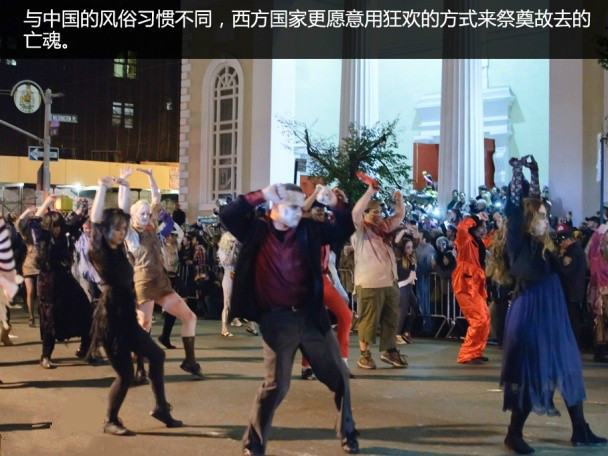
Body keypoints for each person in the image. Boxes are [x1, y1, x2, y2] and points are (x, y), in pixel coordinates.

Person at [219, 183, 359, 455]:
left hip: (310, 317)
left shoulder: (309, 230)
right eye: (292, 207)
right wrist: (261, 194)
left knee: (340, 377)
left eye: (300, 207)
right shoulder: (256, 229)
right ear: (275, 206)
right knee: (276, 385)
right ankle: (254, 443)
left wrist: (336, 204)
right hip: (276, 320)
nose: (299, 212)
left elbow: (344, 228)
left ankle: (348, 432)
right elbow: (228, 215)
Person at [492, 155, 606, 454]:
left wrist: (535, 173)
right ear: (528, 220)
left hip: (553, 312)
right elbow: (516, 205)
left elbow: (533, 200)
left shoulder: (544, 244)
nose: (547, 219)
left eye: (546, 215)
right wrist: (517, 172)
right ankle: (513, 433)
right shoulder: (519, 241)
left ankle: (580, 429)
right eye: (541, 216)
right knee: (533, 373)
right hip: (532, 311)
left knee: (568, 368)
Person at [88, 176, 182, 435]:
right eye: (116, 229)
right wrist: (102, 187)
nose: (121, 232)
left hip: (127, 317)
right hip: (111, 319)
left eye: (123, 228)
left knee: (157, 356)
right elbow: (95, 220)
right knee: (126, 375)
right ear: (105, 230)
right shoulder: (100, 250)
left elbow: (124, 211)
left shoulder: (120, 248)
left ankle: (161, 408)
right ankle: (110, 420)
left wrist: (125, 187)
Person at [121, 167, 203, 381]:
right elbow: (123, 207)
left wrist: (151, 176)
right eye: (142, 214)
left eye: (148, 213)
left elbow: (156, 197)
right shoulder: (130, 233)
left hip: (161, 281)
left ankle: (190, 361)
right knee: (145, 324)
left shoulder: (150, 226)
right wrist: (124, 183)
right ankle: (139, 366)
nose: (147, 216)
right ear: (133, 216)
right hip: (143, 282)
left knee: (190, 317)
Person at [29, 195, 93, 369]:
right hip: (48, 284)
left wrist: (83, 206)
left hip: (66, 279)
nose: (57, 229)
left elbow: (77, 220)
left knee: (86, 310)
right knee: (50, 320)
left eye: (59, 226)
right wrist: (47, 202)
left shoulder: (64, 234)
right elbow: (34, 221)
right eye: (54, 226)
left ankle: (84, 348)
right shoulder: (42, 237)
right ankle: (45, 356)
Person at [351, 183, 407, 370]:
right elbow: (355, 213)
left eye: (381, 211)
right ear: (365, 214)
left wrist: (399, 201)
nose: (379, 215)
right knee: (368, 320)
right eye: (375, 212)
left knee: (391, 319)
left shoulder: (383, 228)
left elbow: (399, 216)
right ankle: (364, 355)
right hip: (370, 283)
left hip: (390, 281)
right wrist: (369, 192)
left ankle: (389, 351)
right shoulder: (360, 231)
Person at [452, 213, 491, 364]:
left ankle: (476, 351)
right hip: (465, 284)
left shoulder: (479, 242)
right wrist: (475, 218)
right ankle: (467, 354)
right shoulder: (465, 240)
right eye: (482, 227)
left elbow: (493, 238)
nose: (485, 230)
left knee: (485, 317)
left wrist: (497, 223)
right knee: (479, 318)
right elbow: (462, 227)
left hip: (475, 284)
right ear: (474, 227)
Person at [556, 227, 587, 351]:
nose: (560, 244)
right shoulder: (576, 250)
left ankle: (573, 344)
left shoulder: (572, 252)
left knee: (572, 318)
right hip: (574, 290)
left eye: (561, 241)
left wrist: (558, 261)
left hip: (571, 291)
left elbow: (566, 271)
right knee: (572, 317)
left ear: (568, 240)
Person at [586, 223, 608, 362]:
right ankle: (600, 351)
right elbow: (597, 274)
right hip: (601, 293)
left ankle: (602, 350)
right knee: (601, 321)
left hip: (602, 291)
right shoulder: (598, 257)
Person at [394, 231, 419, 345]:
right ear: (403, 248)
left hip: (408, 286)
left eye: (411, 247)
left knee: (416, 309)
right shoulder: (399, 257)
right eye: (408, 247)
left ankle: (406, 332)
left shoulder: (410, 257)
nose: (410, 249)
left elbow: (417, 241)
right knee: (403, 310)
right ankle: (397, 335)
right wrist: (403, 231)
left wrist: (414, 232)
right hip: (402, 286)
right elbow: (396, 243)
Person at [17, 206, 39, 327]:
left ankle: (42, 313)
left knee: (41, 293)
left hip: (41, 265)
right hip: (29, 265)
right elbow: (18, 222)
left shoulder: (42, 231)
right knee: (30, 292)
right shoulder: (26, 234)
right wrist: (27, 211)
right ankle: (31, 316)